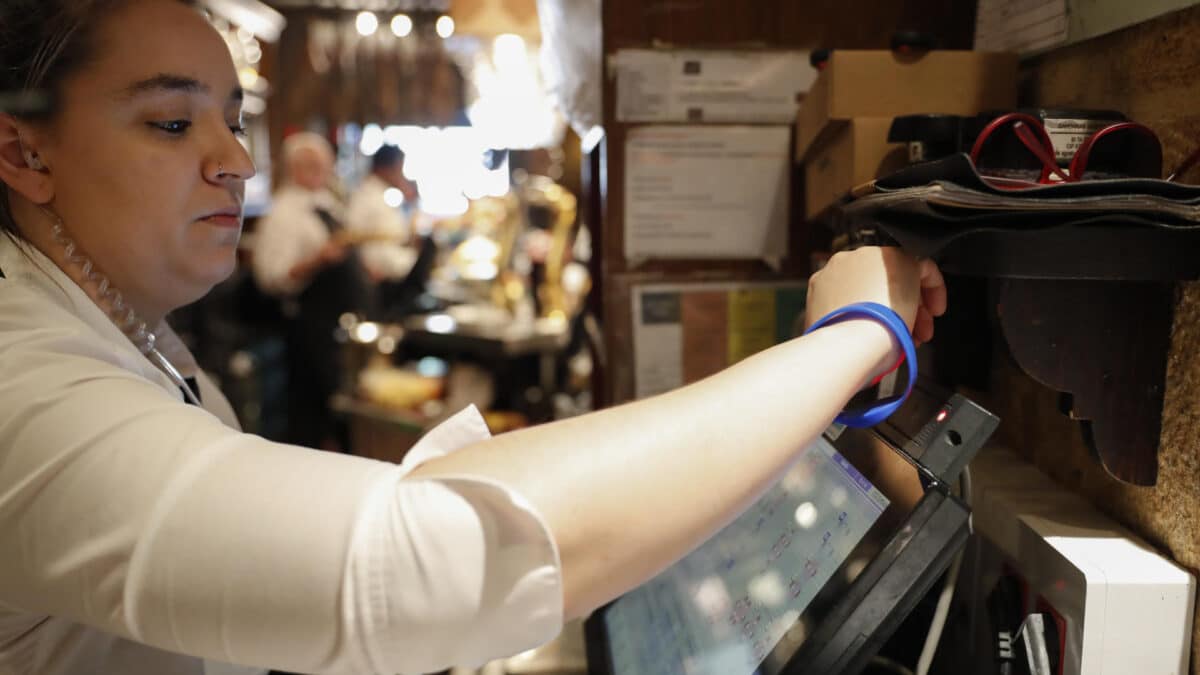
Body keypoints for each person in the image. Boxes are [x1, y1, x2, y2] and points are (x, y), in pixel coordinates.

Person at [0, 2, 947, 675]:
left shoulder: (134, 330)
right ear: (23, 151)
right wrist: (853, 334)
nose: (234, 159)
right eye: (173, 121)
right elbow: (421, 557)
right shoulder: (22, 381)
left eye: (232, 118)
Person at [252, 131, 372, 451]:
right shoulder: (283, 213)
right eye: (313, 165)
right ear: (295, 167)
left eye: (325, 165)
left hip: (337, 321)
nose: (322, 172)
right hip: (308, 323)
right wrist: (318, 259)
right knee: (310, 406)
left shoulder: (326, 203)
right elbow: (272, 276)